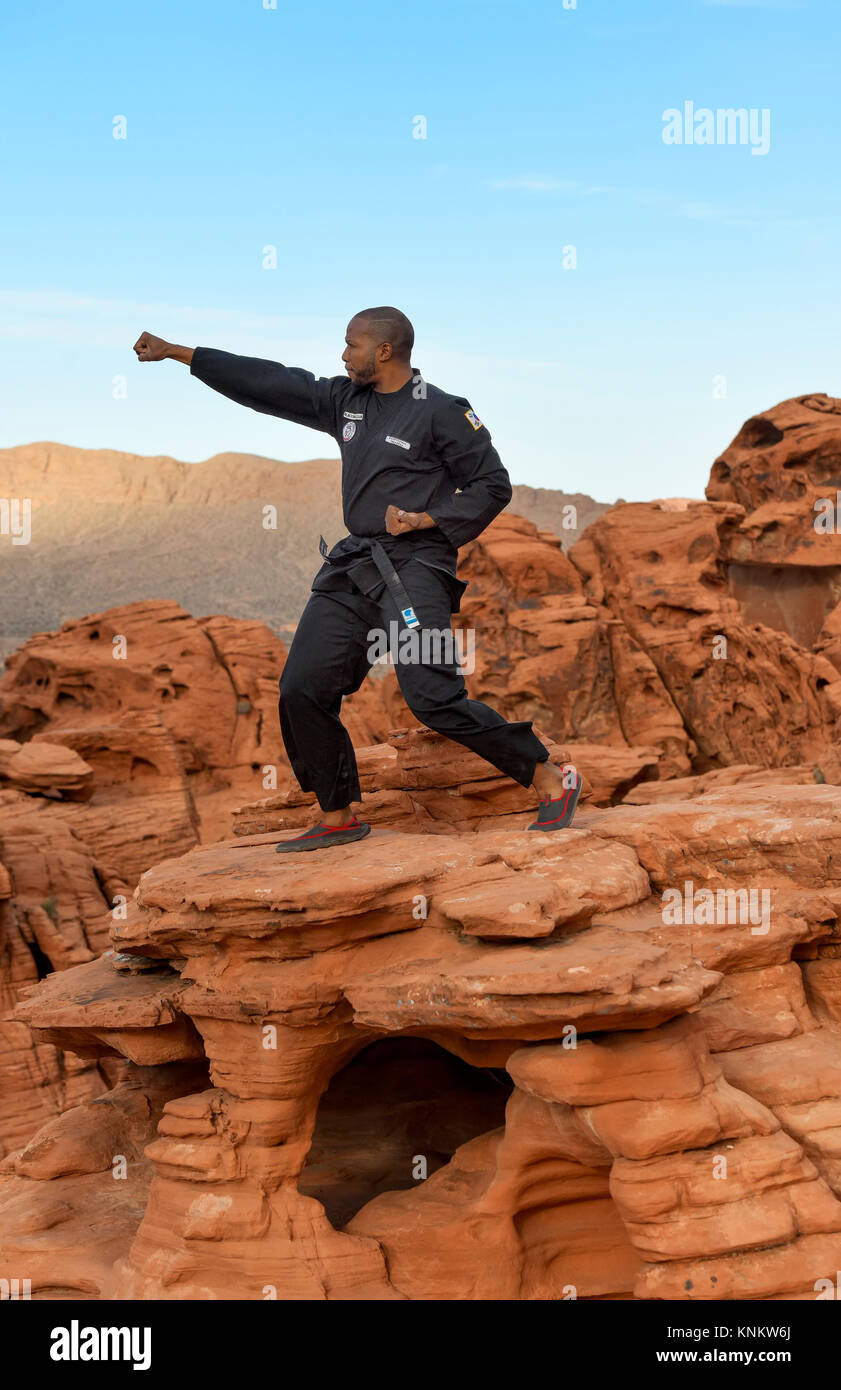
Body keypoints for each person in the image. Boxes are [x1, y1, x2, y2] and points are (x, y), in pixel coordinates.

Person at [133, 308, 582, 851]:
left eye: (350, 345)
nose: (342, 355)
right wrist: (181, 353)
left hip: (416, 569)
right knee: (302, 688)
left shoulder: (442, 411)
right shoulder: (346, 401)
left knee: (432, 696)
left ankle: (549, 779)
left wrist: (429, 518)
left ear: (384, 351)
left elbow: (492, 484)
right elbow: (271, 381)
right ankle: (338, 813)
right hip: (353, 567)